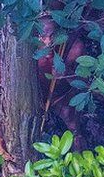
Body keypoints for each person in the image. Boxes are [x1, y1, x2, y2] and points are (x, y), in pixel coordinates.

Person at [36, 17, 86, 149]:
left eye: (53, 35)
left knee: (72, 123)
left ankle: (80, 158)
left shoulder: (73, 48)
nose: (48, 42)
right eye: (42, 37)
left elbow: (85, 85)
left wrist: (66, 74)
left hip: (60, 96)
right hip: (35, 98)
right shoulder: (28, 51)